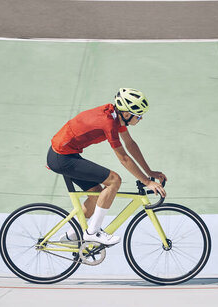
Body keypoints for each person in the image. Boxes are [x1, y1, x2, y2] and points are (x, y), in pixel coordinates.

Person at [47, 88, 167, 246]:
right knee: (114, 180)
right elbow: (124, 158)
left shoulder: (116, 117)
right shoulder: (108, 123)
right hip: (62, 157)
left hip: (65, 154)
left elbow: (130, 144)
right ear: (126, 114)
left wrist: (149, 171)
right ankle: (93, 232)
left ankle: (71, 237)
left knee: (96, 196)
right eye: (138, 115)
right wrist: (147, 182)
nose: (141, 118)